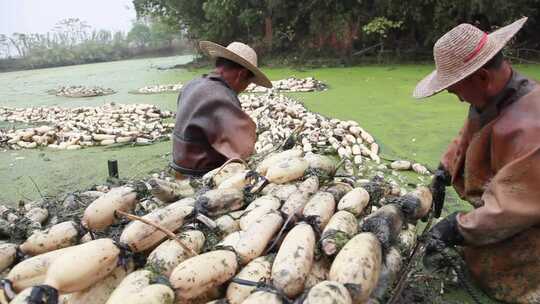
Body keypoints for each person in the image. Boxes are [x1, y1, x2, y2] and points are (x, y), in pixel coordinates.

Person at [414, 17, 540, 303]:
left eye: (455, 86)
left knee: (499, 268)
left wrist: (457, 227)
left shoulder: (533, 126)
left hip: (528, 214)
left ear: (482, 77)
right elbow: (468, 135)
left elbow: (513, 206)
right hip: (510, 203)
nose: (452, 93)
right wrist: (445, 170)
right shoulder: (493, 99)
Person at [171, 41, 272, 179]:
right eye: (247, 84)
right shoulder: (220, 96)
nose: (243, 90)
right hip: (200, 174)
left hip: (179, 166)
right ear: (241, 75)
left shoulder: (192, 84)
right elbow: (243, 151)